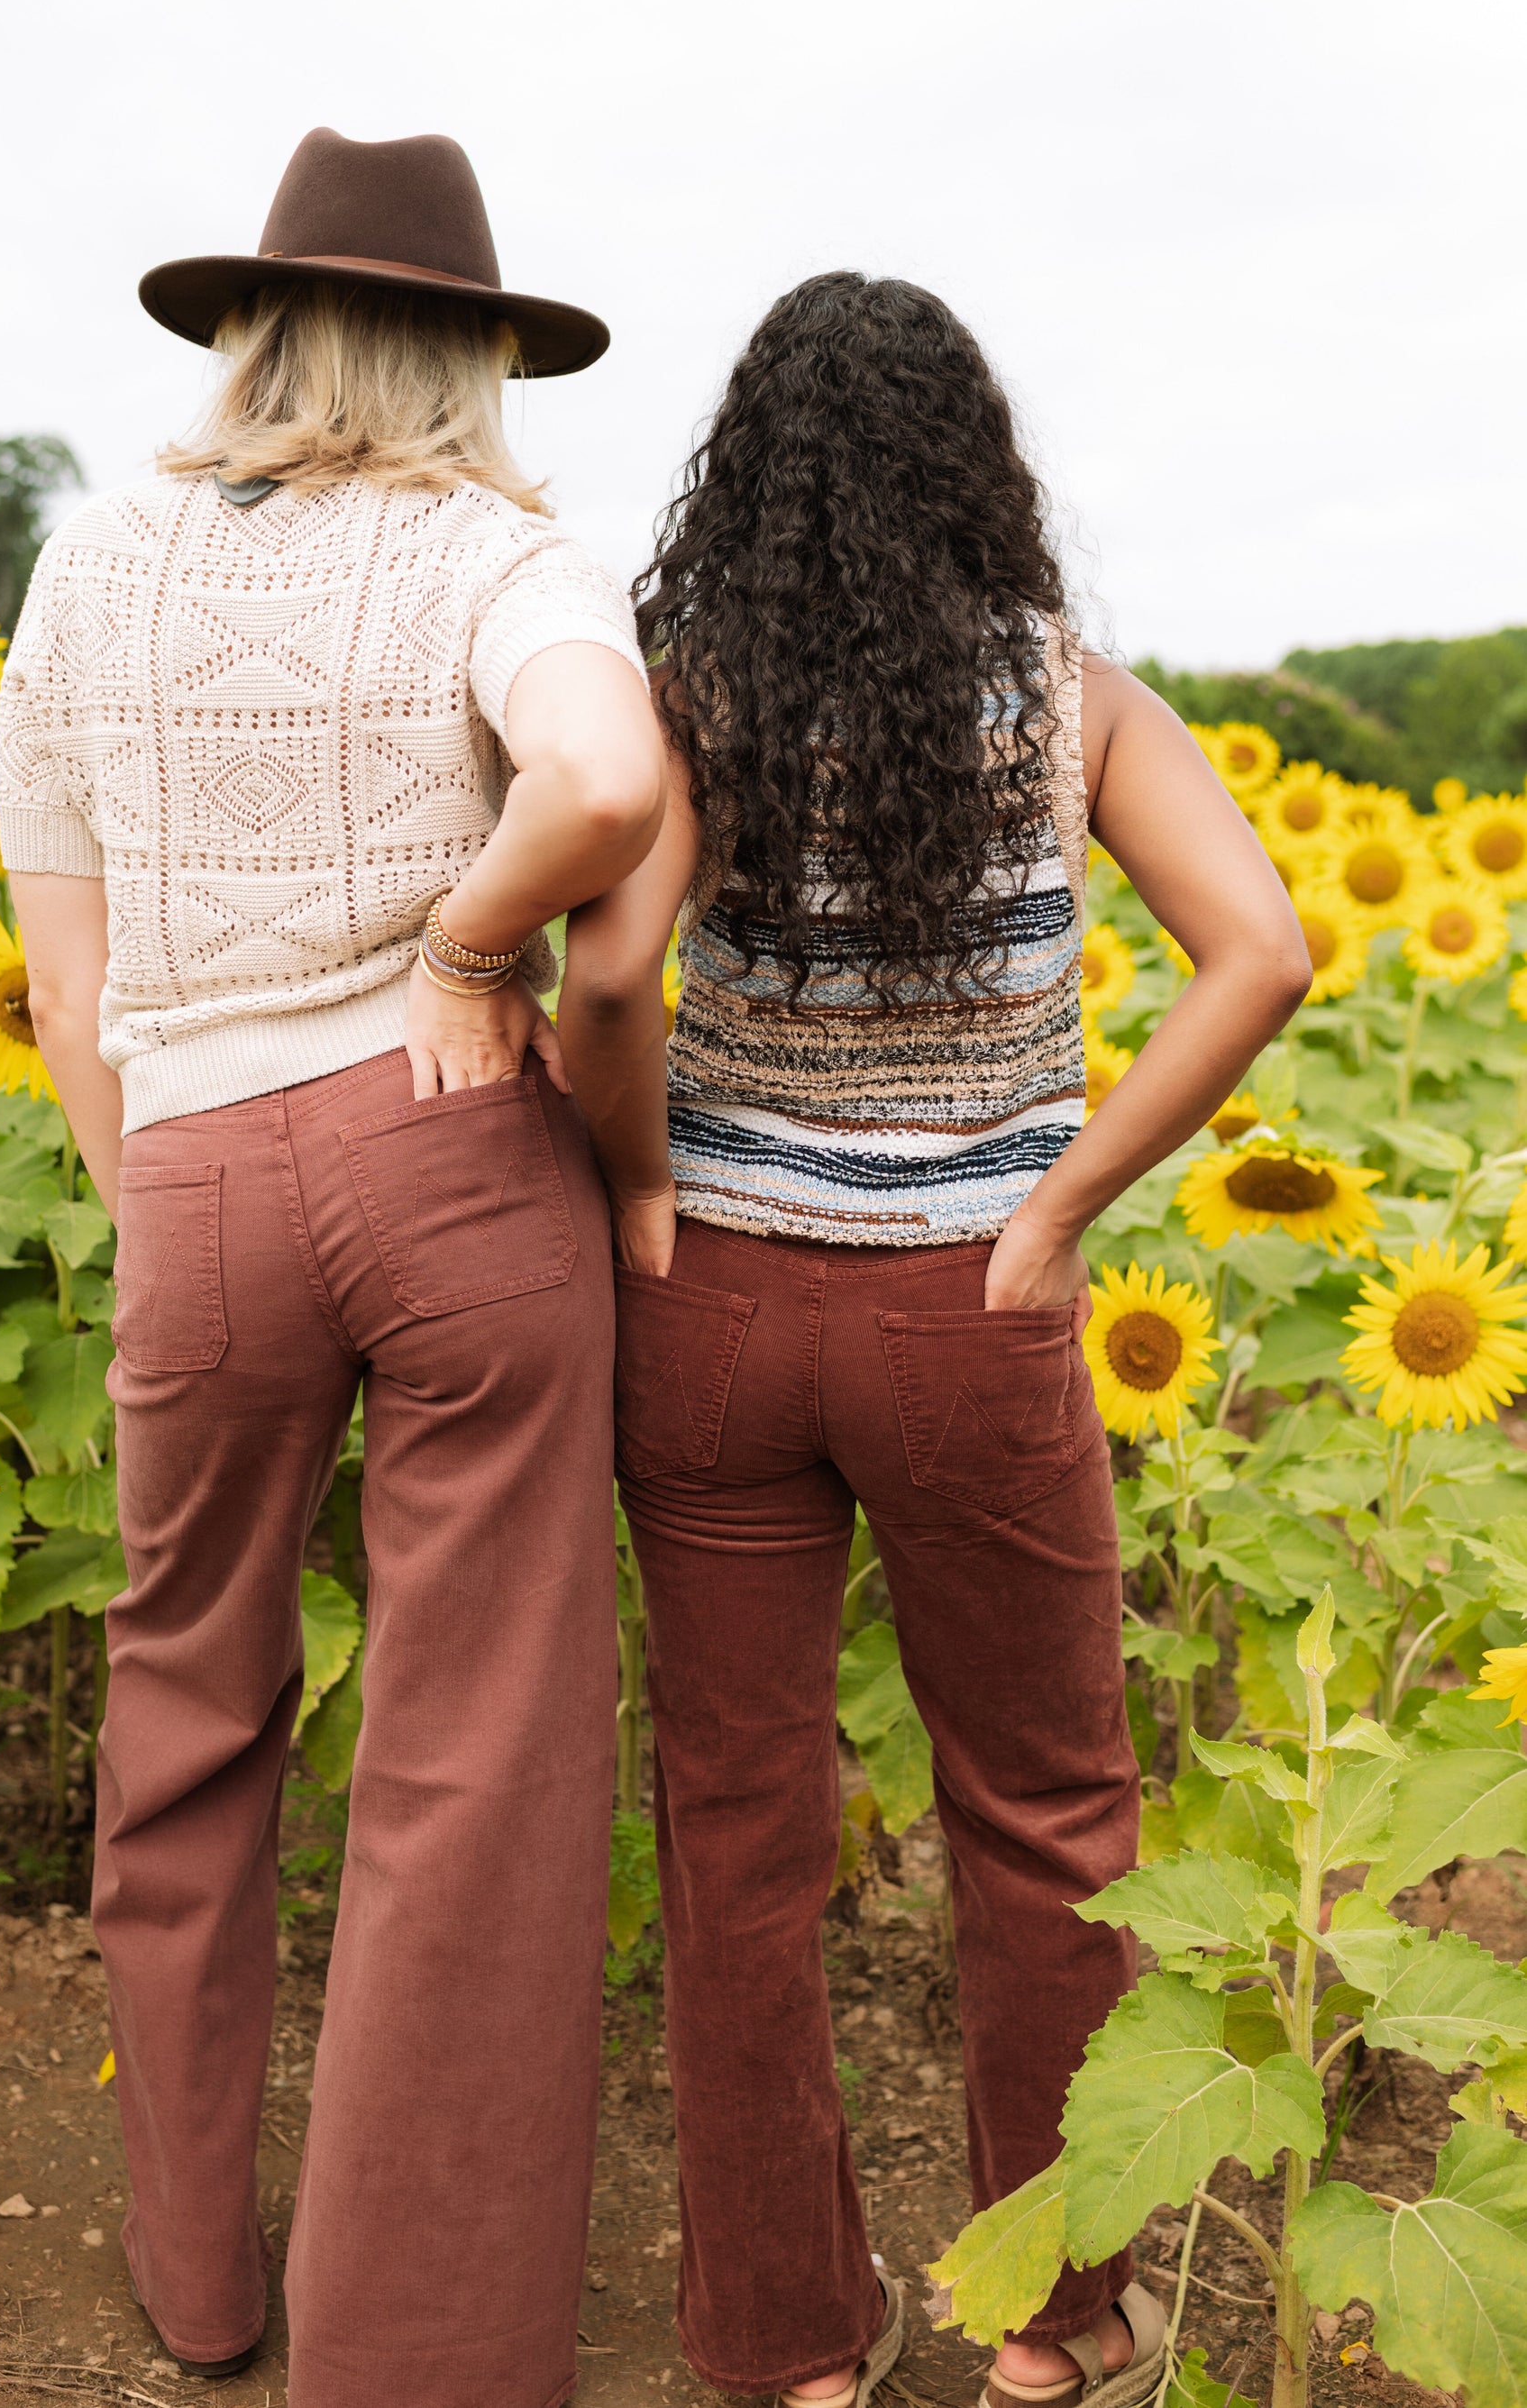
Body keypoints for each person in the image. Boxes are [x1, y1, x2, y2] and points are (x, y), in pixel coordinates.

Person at [558, 271, 1312, 2408]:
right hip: (971, 1318)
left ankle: (785, 2347)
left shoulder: (688, 691)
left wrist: (637, 1185)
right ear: (974, 465)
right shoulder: (1065, 700)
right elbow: (1258, 953)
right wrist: (1063, 1203)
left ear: (754, 482)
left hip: (710, 1313)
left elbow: (609, 988)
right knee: (1050, 1815)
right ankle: (1053, 2328)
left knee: (732, 1828)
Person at [0, 128, 665, 2408]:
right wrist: (474, 945)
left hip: (188, 1176)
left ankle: (199, 2289)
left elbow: (67, 986)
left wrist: (164, 1185)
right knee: (471, 1757)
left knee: (181, 1713)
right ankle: (417, 2359)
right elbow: (596, 779)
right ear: (474, 354)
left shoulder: (87, 566)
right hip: (455, 1157)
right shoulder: (510, 552)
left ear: (257, 325)